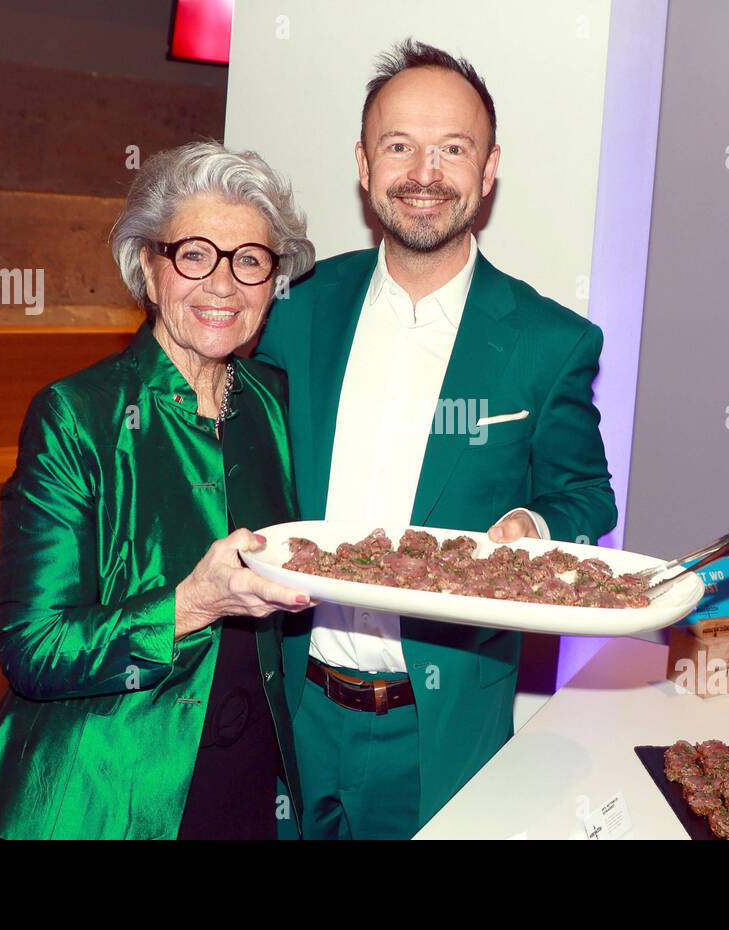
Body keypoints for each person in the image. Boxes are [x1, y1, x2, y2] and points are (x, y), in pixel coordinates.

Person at [256, 39, 617, 839]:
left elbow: (587, 497)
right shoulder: (292, 307)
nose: (425, 173)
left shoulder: (548, 341)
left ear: (488, 170)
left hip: (442, 727)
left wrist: (537, 528)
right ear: (363, 163)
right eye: (400, 146)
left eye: (453, 149)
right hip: (292, 708)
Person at [0, 141, 316, 839]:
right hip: (109, 790)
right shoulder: (77, 414)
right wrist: (190, 604)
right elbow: (33, 649)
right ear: (148, 269)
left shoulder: (270, 401)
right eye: (194, 254)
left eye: (249, 260)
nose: (223, 284)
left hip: (246, 783)